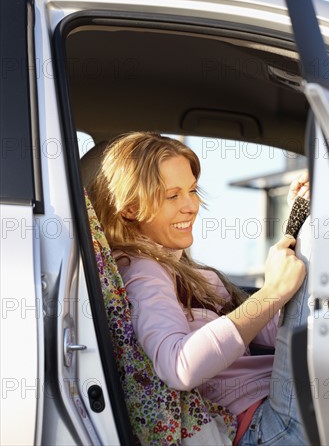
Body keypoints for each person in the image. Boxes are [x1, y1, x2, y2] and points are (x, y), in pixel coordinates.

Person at [90, 131, 311, 445]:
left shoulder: (186, 270)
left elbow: (269, 334)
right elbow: (179, 366)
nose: (191, 205)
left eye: (192, 190)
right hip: (262, 425)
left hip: (272, 401)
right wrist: (272, 292)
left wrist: (295, 223)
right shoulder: (142, 271)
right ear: (129, 209)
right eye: (172, 195)